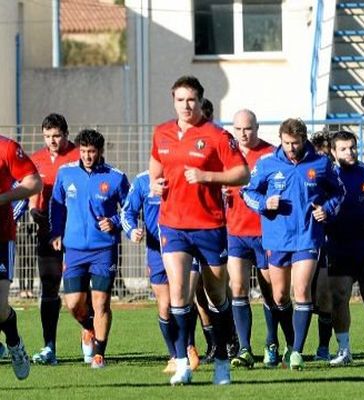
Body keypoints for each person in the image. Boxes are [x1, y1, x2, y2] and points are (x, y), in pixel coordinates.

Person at [149, 75, 249, 385]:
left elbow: (242, 173)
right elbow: (155, 167)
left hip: (209, 225)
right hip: (173, 224)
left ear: (200, 101)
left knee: (217, 294)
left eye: (191, 99)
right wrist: (155, 183)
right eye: (180, 100)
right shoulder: (162, 132)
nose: (185, 105)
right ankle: (182, 362)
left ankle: (222, 360)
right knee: (178, 293)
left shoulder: (217, 135)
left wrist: (207, 175)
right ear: (173, 101)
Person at [242, 118, 345, 370]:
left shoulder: (321, 163)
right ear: (281, 139)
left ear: (303, 139)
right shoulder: (267, 163)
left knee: (301, 291)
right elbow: (247, 193)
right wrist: (265, 203)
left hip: (307, 236)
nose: (291, 147)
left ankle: (297, 351)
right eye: (286, 143)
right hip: (277, 238)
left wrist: (327, 209)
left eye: (295, 143)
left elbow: (339, 191)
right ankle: (286, 342)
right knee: (279, 296)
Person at [49, 129, 129, 369]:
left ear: (100, 152)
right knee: (73, 303)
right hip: (73, 250)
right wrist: (56, 232)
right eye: (83, 151)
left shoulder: (115, 177)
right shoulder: (65, 174)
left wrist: (114, 222)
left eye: (91, 151)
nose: (87, 156)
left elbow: (130, 209)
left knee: (101, 302)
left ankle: (99, 354)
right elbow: (57, 206)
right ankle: (88, 327)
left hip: (103, 249)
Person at [121, 171, 202, 373]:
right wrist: (132, 230)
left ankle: (189, 346)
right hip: (157, 252)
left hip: (185, 247)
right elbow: (127, 212)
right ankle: (174, 355)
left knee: (184, 300)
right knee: (165, 306)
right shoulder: (142, 181)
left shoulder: (185, 176)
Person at [326, 130, 364, 366]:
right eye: (343, 149)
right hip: (339, 245)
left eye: (352, 147)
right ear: (333, 152)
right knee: (339, 297)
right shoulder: (328, 176)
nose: (349, 152)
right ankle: (344, 350)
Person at [225, 109, 276, 369]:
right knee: (238, 288)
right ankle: (245, 348)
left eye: (248, 128)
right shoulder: (227, 155)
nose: (243, 134)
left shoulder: (271, 154)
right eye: (238, 129)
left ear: (257, 127)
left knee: (271, 292)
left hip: (266, 233)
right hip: (236, 233)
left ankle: (271, 343)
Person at [28, 113, 79, 365]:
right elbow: (28, 190)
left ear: (66, 134)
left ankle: (91, 339)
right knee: (49, 288)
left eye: (57, 135)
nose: (52, 141)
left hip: (77, 232)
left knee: (79, 292)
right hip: (47, 232)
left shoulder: (79, 156)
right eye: (47, 136)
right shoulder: (35, 159)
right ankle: (49, 346)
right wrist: (31, 210)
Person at [0, 135, 42, 380]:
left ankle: (14, 343)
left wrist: (4, 198)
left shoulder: (6, 148)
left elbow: (34, 182)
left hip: (1, 237)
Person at [308, 130, 334, 362]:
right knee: (301, 296)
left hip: (329, 242)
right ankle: (291, 347)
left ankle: (323, 348)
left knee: (325, 296)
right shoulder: (305, 176)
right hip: (303, 241)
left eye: (327, 155)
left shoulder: (336, 179)